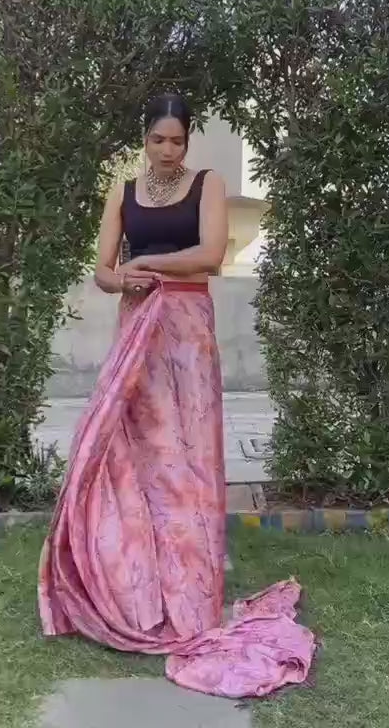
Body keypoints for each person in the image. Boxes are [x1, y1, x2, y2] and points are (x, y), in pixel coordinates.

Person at [38, 93, 316, 700]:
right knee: (136, 450)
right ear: (145, 139)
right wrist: (123, 277)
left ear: (188, 142)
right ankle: (134, 581)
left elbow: (212, 256)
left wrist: (148, 265)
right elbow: (103, 270)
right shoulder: (123, 192)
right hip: (137, 325)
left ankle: (189, 585)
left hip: (186, 331)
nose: (168, 150)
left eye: (177, 140)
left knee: (186, 455)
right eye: (158, 139)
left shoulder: (207, 184)